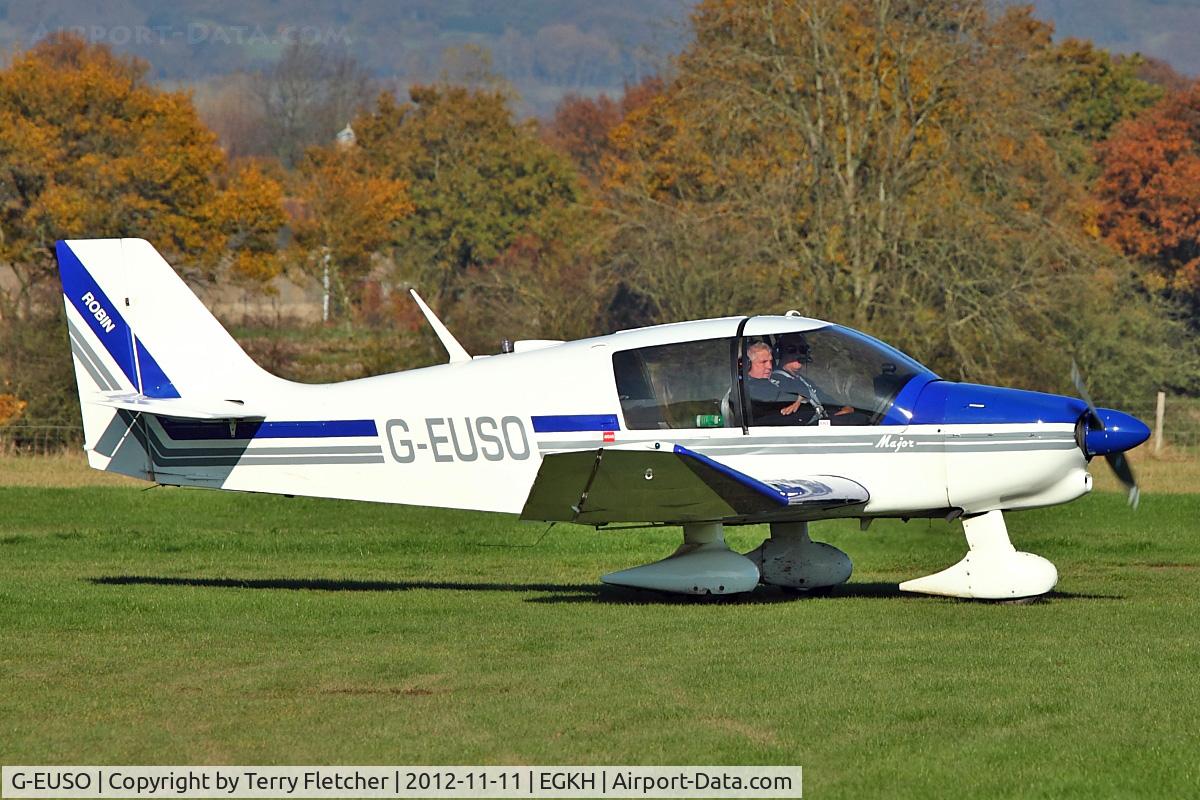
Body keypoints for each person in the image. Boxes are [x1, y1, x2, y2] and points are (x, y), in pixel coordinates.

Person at [772, 333, 861, 425]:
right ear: (779, 352)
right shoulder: (776, 382)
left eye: (803, 350)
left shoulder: (804, 381)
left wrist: (843, 409)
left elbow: (827, 401)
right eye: (792, 349)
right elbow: (792, 410)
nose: (799, 354)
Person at [744, 341, 816, 425]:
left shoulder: (771, 382)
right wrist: (800, 399)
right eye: (763, 362)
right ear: (747, 365)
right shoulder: (752, 389)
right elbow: (798, 403)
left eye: (770, 361)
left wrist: (800, 398)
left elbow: (801, 390)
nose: (769, 367)